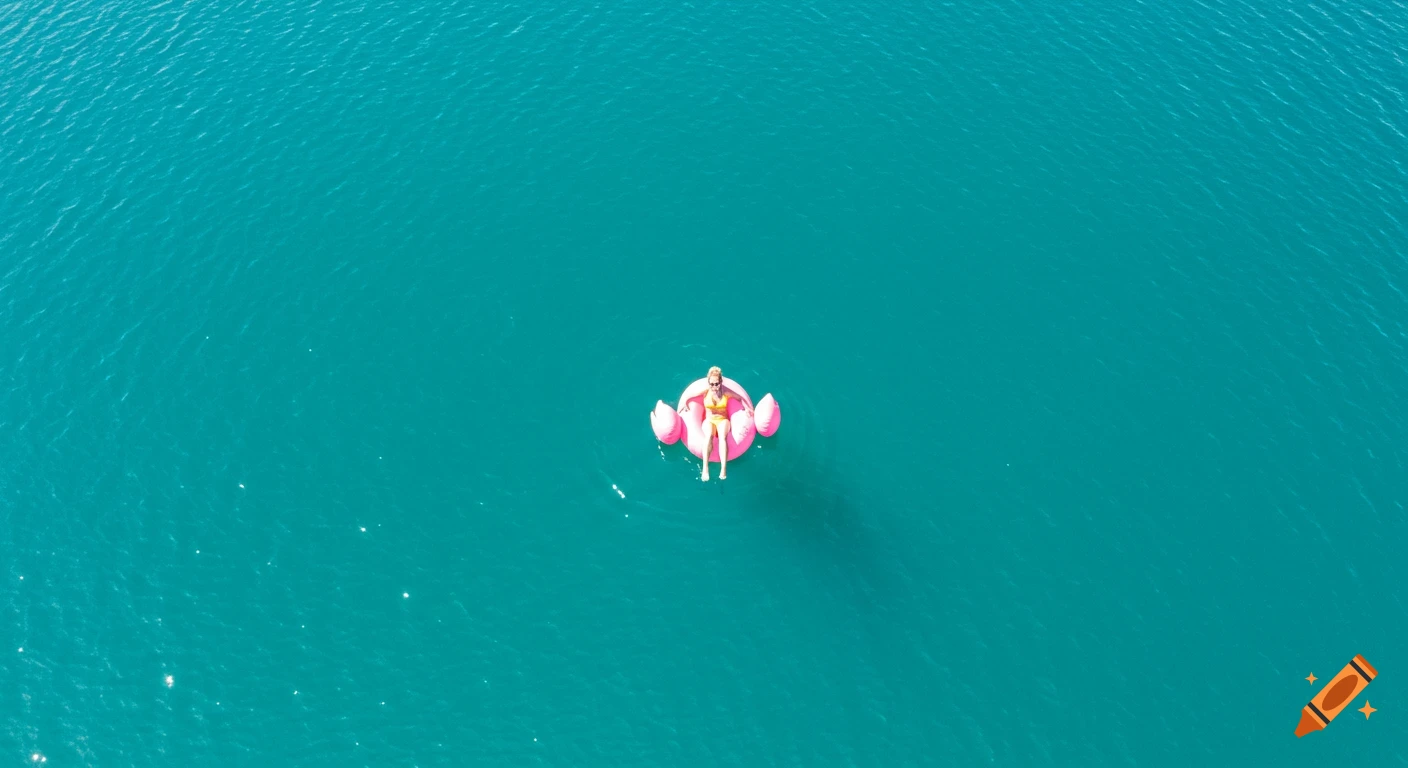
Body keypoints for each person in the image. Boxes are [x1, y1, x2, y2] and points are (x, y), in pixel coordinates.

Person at [692, 366, 753, 481]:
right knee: (709, 435)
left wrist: (747, 408)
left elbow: (740, 398)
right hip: (709, 420)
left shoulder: (726, 393)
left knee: (722, 437)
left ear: (720, 382)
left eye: (716, 384)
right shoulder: (705, 392)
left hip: (722, 420)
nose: (714, 387)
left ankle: (723, 469)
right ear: (708, 383)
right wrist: (684, 403)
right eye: (712, 384)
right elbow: (691, 395)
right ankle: (705, 468)